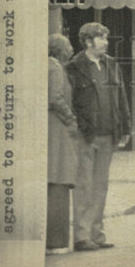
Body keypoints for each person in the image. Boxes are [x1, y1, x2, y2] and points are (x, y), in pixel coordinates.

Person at [67, 22, 130, 252]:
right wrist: (77, 127)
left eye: (106, 37)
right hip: (86, 136)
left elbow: (121, 97)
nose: (106, 42)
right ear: (87, 41)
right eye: (101, 38)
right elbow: (69, 101)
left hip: (108, 134)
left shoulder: (111, 64)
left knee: (101, 187)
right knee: (84, 186)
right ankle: (82, 237)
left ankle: (97, 235)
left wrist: (125, 127)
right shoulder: (74, 67)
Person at [47, 34, 78, 255]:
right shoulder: (56, 68)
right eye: (68, 44)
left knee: (53, 180)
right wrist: (70, 119)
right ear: (60, 49)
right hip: (57, 128)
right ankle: (56, 241)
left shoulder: (47, 66)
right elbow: (56, 98)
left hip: (50, 127)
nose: (71, 48)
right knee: (60, 179)